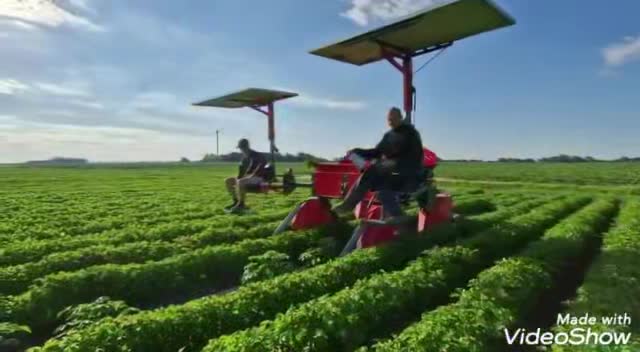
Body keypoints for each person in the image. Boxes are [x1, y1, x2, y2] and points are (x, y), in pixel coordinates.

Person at [332, 107, 424, 217]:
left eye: (394, 118)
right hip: (394, 172)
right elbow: (377, 152)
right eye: (389, 119)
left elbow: (410, 155)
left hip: (409, 171)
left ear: (400, 117)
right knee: (383, 193)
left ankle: (348, 205)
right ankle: (399, 219)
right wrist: (357, 151)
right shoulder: (389, 135)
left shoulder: (410, 133)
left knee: (374, 171)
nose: (391, 121)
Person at [225, 138, 269, 213]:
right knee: (228, 181)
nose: (241, 150)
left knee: (241, 182)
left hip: (259, 178)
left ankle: (242, 205)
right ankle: (236, 201)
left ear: (247, 147)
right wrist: (239, 177)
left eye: (242, 147)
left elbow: (260, 167)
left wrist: (249, 176)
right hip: (248, 178)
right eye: (241, 148)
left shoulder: (257, 155)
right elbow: (241, 172)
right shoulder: (244, 158)